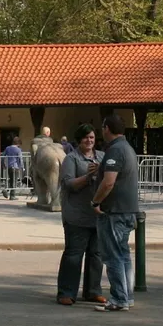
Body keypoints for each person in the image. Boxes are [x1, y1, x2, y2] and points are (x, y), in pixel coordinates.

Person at [90, 114, 141, 312]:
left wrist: (96, 200)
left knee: (112, 256)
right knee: (124, 255)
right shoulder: (127, 149)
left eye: (103, 128)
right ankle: (127, 296)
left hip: (114, 211)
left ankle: (119, 298)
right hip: (128, 209)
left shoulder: (115, 150)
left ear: (107, 128)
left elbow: (109, 181)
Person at [55, 123, 106, 306]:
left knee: (96, 255)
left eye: (92, 137)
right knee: (73, 255)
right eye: (86, 137)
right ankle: (66, 292)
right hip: (76, 215)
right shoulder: (71, 159)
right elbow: (68, 184)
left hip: (97, 215)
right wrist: (88, 177)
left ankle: (93, 291)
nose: (89, 141)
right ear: (79, 140)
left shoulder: (102, 157)